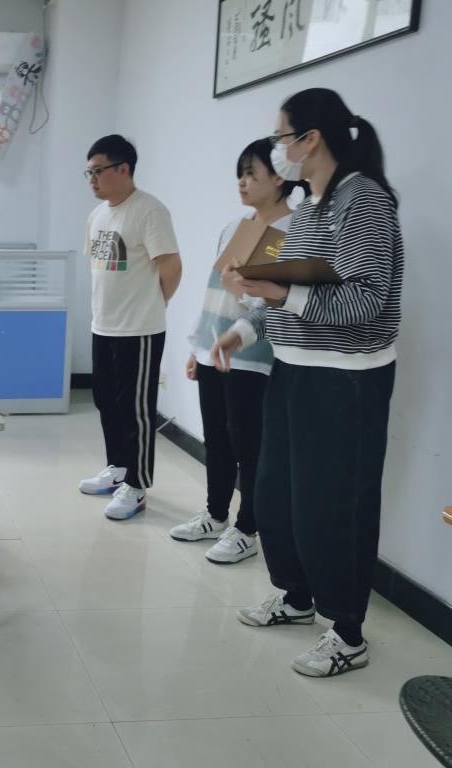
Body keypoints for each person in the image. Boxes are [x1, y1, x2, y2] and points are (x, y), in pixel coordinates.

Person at [211, 88, 402, 677]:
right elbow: (290, 293)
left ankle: (348, 632)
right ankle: (296, 598)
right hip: (293, 370)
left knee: (334, 506)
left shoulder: (364, 201)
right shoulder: (314, 205)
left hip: (347, 380)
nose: (277, 149)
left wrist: (278, 292)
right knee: (278, 495)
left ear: (309, 139)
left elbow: (366, 301)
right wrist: (242, 330)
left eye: (279, 137)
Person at [170, 139, 304, 564]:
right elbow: (214, 291)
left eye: (251, 174)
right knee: (217, 439)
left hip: (254, 355)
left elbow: (273, 303)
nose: (242, 182)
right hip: (214, 348)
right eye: (240, 174)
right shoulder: (236, 226)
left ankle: (248, 529)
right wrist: (198, 345)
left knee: (250, 445)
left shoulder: (293, 231)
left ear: (279, 178)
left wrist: (239, 290)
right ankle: (215, 515)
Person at [77, 135, 182, 520]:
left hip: (139, 329)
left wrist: (155, 305)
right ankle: (118, 469)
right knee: (106, 401)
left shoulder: (149, 211)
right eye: (88, 172)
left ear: (124, 169)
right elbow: (103, 271)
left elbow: (171, 267)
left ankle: (137, 486)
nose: (92, 179)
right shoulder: (97, 215)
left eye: (98, 171)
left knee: (136, 410)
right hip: (103, 325)